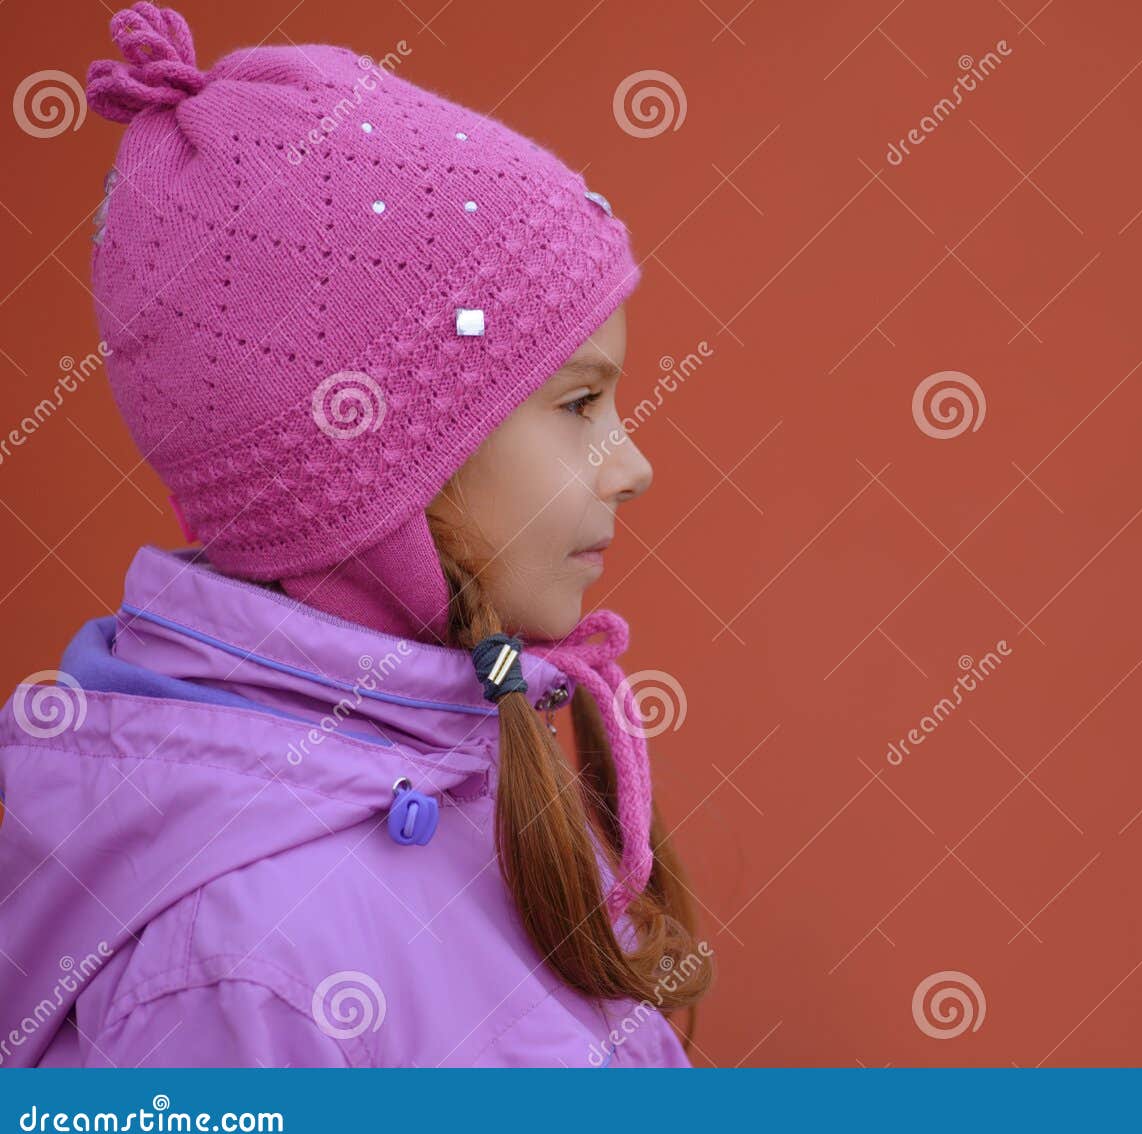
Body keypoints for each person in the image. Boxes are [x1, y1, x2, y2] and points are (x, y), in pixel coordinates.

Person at [0, 2, 713, 1067]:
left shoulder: (452, 767)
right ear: (371, 470)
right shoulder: (243, 972)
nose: (633, 465)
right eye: (578, 405)